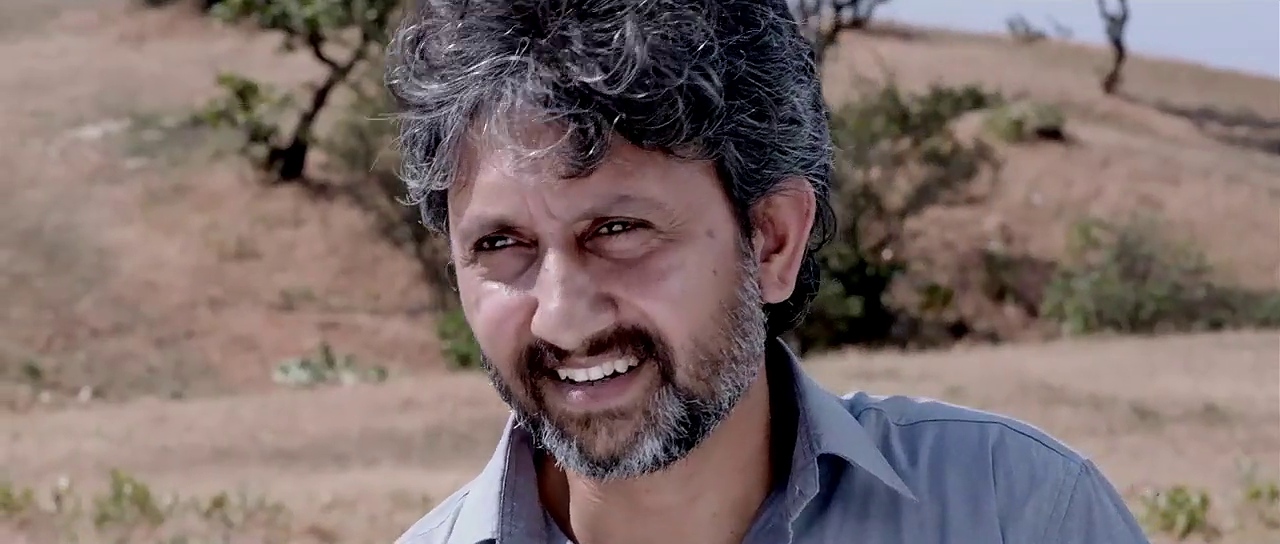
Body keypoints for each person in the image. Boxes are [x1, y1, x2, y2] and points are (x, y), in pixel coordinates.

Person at [384, 1, 1151, 543]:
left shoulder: (1018, 513)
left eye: (617, 231)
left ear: (773, 240)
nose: (562, 316)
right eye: (500, 245)